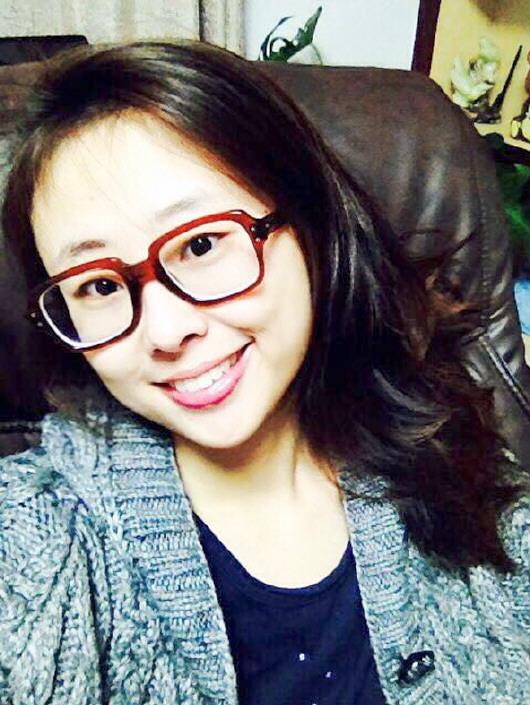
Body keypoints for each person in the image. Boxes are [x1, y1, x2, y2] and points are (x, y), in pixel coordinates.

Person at [1, 41, 529, 705]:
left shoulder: (460, 458)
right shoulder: (35, 542)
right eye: (98, 285)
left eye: (201, 244)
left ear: (310, 224)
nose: (165, 332)